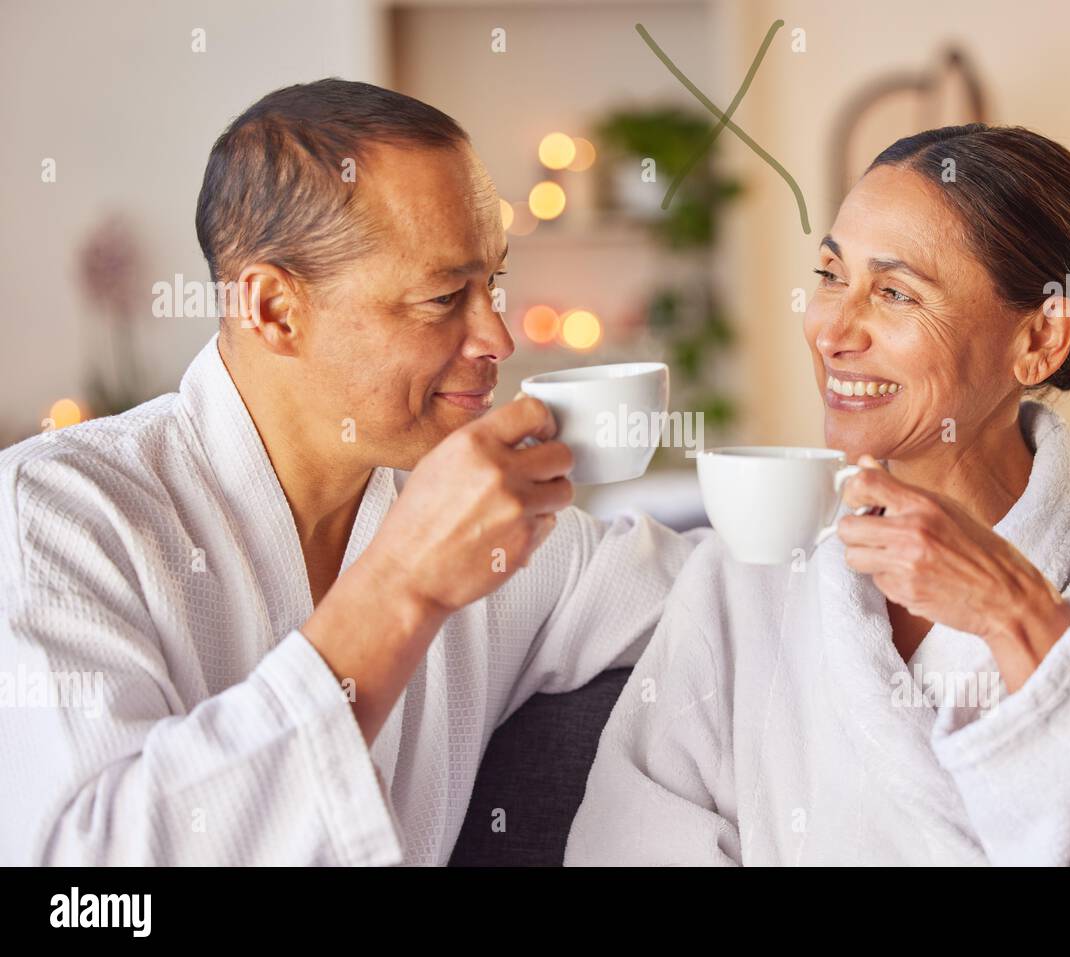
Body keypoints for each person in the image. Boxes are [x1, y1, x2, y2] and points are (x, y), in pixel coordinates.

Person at [0, 79, 700, 865]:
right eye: (443, 297)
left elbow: (717, 597)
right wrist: (404, 585)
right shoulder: (57, 514)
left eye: (492, 284)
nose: (498, 337)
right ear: (272, 309)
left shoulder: (471, 522)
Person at [566, 124, 1070, 866]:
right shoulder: (743, 575)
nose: (832, 329)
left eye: (893, 291)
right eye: (828, 275)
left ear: (1041, 337)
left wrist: (1021, 621)